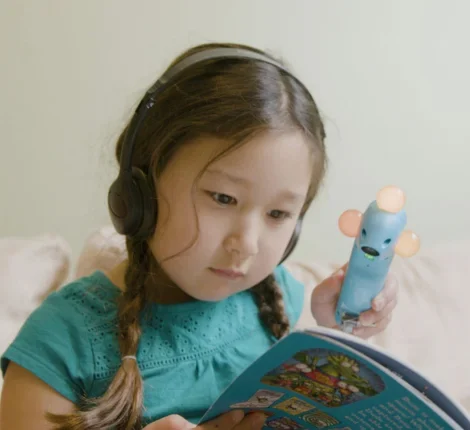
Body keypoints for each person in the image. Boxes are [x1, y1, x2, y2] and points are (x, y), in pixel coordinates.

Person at [0, 42, 398, 430]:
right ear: (139, 192)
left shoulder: (277, 300)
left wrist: (338, 330)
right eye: (223, 198)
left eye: (278, 213)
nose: (247, 243)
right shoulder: (61, 340)